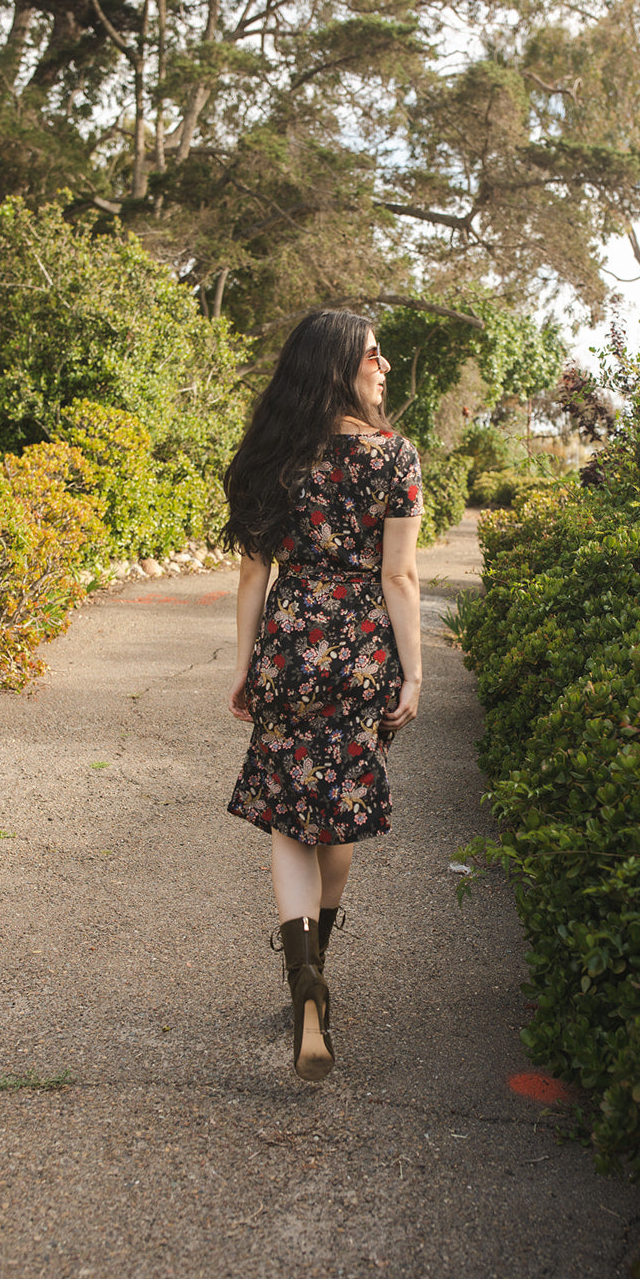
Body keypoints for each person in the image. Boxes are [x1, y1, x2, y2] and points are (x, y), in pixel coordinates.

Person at [222, 309, 423, 1081]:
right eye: (374, 355)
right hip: (362, 653)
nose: (384, 365)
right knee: (337, 807)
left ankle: (303, 977)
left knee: (286, 815)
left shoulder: (275, 456)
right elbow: (398, 577)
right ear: (341, 365)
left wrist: (244, 667)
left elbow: (252, 575)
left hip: (288, 647)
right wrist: (413, 671)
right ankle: (318, 967)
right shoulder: (393, 456)